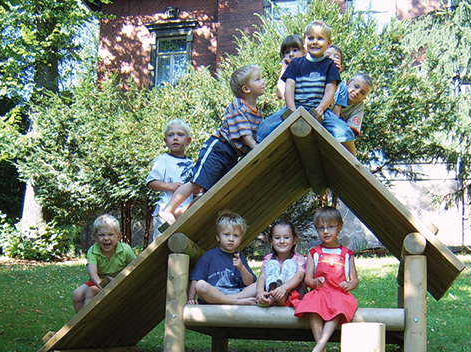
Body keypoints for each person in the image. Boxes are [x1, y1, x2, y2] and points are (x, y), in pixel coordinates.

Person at [158, 65, 265, 226]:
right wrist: (255, 147)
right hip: (218, 148)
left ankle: (182, 213)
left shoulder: (257, 111)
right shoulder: (238, 105)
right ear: (246, 89)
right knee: (198, 182)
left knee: (214, 193)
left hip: (231, 155)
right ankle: (167, 210)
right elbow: (244, 133)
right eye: (258, 79)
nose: (263, 82)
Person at [256, 20, 356, 155]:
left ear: (329, 43)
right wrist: (291, 108)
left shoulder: (329, 65)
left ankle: (354, 161)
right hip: (296, 106)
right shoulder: (296, 63)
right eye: (311, 38)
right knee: (264, 128)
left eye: (320, 38)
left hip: (319, 109)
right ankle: (258, 156)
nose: (315, 41)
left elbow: (330, 90)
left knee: (344, 132)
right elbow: (289, 87)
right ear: (305, 41)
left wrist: (321, 108)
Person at [292, 207, 358, 352]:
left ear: (339, 227)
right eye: (321, 228)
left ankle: (321, 344)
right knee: (313, 307)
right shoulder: (314, 253)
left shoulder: (346, 254)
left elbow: (354, 279)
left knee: (338, 306)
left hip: (339, 293)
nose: (326, 231)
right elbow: (307, 279)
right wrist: (314, 282)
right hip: (320, 292)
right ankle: (323, 350)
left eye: (330, 227)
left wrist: (349, 284)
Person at [188, 211, 257, 305]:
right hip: (214, 292)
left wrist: (242, 268)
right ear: (218, 237)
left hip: (235, 293)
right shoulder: (209, 256)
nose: (231, 239)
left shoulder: (240, 258)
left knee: (259, 285)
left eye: (236, 235)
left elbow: (249, 283)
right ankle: (237, 302)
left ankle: (228, 300)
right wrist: (191, 298)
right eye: (227, 234)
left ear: (241, 239)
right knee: (200, 285)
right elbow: (196, 279)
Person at [72, 214, 136, 312]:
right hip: (99, 281)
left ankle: (89, 322)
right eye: (101, 235)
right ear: (95, 237)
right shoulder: (93, 251)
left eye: (111, 234)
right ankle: (81, 322)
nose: (106, 238)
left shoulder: (125, 250)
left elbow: (136, 266)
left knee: (91, 291)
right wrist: (103, 286)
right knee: (77, 294)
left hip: (117, 280)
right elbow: (92, 273)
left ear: (118, 236)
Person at [146, 119, 196, 239]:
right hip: (165, 210)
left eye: (180, 135)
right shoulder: (163, 159)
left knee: (181, 241)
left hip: (185, 211)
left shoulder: (192, 163)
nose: (175, 138)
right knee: (164, 240)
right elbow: (151, 182)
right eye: (170, 135)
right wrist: (170, 186)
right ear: (165, 141)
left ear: (188, 141)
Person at [256, 219, 306, 307]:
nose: (282, 241)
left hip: (291, 295)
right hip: (271, 293)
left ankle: (283, 297)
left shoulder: (299, 258)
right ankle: (272, 297)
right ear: (271, 241)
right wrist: (260, 292)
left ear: (294, 240)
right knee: (272, 264)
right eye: (277, 238)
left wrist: (284, 288)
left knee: (290, 263)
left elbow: (299, 276)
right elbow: (262, 276)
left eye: (286, 237)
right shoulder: (269, 258)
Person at [276, 34, 304, 100]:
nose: (291, 54)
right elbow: (281, 95)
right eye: (287, 52)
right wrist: (284, 69)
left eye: (295, 50)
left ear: (304, 52)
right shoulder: (288, 73)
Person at [324, 44, 348, 117]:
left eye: (336, 57)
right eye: (328, 56)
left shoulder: (342, 88)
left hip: (327, 117)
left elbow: (335, 114)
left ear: (341, 68)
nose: (332, 59)